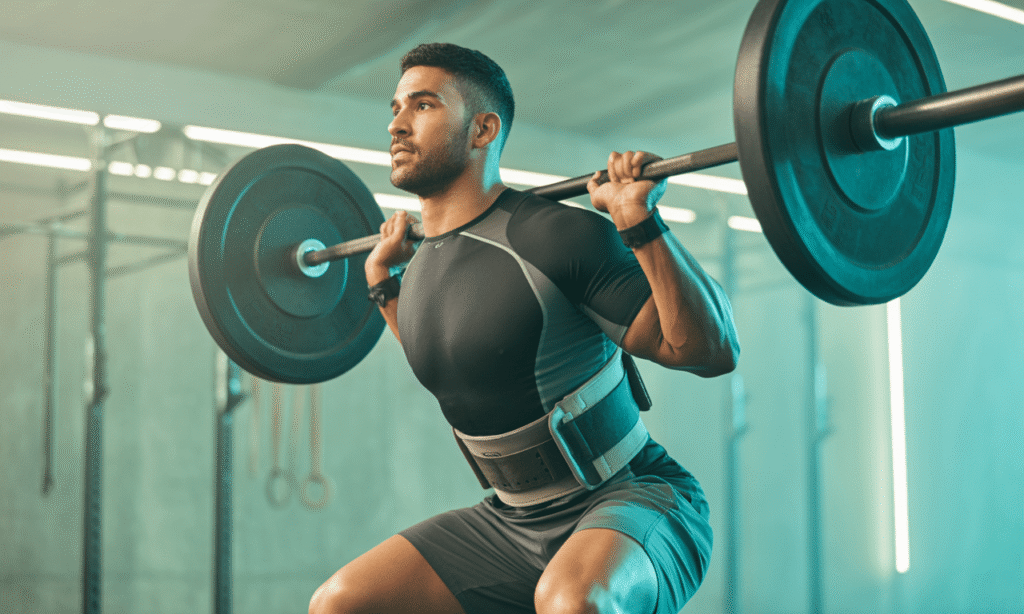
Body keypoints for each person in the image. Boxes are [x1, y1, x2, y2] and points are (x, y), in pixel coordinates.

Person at [309, 42, 739, 614]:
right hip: (509, 523)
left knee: (573, 602)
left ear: (482, 129)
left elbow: (708, 350)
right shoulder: (417, 274)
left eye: (423, 105)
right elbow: (458, 357)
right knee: (341, 604)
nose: (396, 123)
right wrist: (382, 283)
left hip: (633, 497)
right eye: (395, 107)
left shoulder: (554, 235)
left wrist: (640, 222)